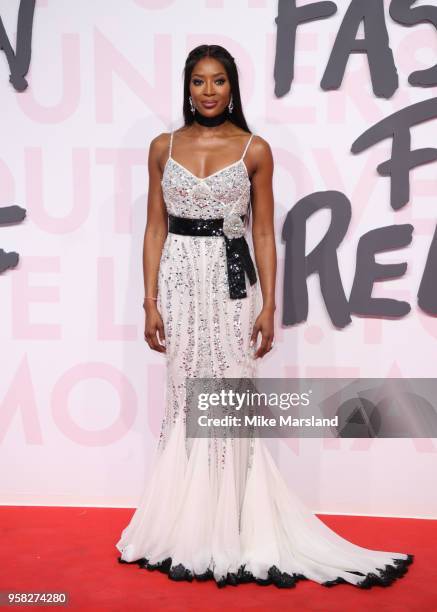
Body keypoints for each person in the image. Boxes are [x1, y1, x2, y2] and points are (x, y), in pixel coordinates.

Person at [116, 44, 414, 589]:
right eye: (200, 81)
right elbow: (155, 229)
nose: (210, 91)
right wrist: (150, 299)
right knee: (184, 394)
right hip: (180, 281)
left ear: (233, 87)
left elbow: (261, 232)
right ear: (188, 87)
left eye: (220, 81)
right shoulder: (163, 147)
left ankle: (232, 527)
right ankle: (184, 525)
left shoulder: (255, 149)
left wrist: (270, 305)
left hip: (234, 287)